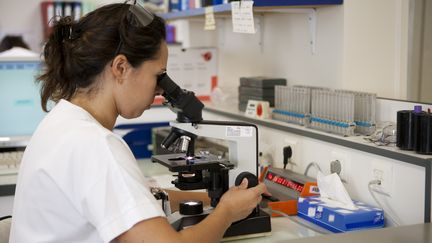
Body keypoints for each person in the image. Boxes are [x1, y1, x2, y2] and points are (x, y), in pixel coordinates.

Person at [9, 2, 268, 243]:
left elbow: (136, 199)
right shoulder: (96, 145)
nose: (160, 89)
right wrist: (226, 213)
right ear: (120, 67)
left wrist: (210, 198)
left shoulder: (62, 122)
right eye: (158, 75)